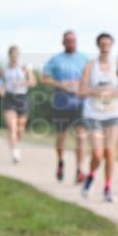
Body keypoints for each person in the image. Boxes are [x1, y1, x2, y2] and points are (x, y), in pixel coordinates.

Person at [80, 33, 118, 202]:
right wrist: (96, 91)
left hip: (113, 113)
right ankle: (91, 175)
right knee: (97, 153)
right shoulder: (90, 65)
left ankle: (108, 187)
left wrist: (113, 92)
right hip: (93, 114)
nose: (105, 47)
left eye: (108, 44)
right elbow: (81, 90)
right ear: (98, 45)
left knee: (109, 151)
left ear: (112, 46)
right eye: (102, 44)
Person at [41, 31, 89, 182]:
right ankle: (61, 161)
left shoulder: (84, 59)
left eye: (73, 40)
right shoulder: (55, 59)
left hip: (80, 103)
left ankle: (79, 169)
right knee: (62, 135)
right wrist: (61, 84)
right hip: (61, 103)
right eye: (68, 40)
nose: (71, 43)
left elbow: (90, 78)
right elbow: (44, 78)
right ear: (63, 42)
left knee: (81, 135)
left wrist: (82, 86)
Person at [0, 45, 37, 163]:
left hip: (22, 98)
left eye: (16, 55)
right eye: (12, 55)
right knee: (11, 126)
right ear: (9, 56)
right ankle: (14, 151)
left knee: (20, 130)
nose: (14, 57)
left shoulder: (24, 68)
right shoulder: (4, 70)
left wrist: (23, 83)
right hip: (9, 98)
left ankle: (15, 143)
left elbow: (33, 82)